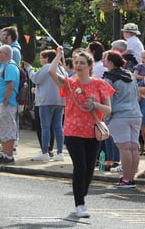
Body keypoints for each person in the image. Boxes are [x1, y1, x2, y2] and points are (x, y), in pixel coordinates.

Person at [48, 46, 113, 218]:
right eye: (76, 62)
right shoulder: (69, 83)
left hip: (93, 131)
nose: (78, 65)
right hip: (72, 131)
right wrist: (59, 54)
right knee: (80, 167)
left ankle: (81, 195)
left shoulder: (100, 84)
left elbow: (108, 109)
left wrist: (96, 105)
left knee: (89, 169)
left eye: (82, 63)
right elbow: (51, 71)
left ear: (90, 66)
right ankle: (80, 204)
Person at [102, 51, 142, 187]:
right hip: (135, 114)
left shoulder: (109, 78)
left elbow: (109, 102)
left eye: (105, 59)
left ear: (111, 62)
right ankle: (130, 179)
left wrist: (105, 120)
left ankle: (125, 179)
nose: (103, 62)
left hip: (119, 116)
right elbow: (136, 93)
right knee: (133, 147)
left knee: (124, 148)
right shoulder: (130, 74)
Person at [26, 50, 65, 162]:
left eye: (42, 57)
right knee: (58, 127)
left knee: (45, 126)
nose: (40, 59)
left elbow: (35, 79)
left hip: (46, 101)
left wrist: (30, 69)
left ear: (48, 58)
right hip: (60, 101)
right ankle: (60, 152)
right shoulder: (61, 68)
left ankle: (45, 152)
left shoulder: (47, 67)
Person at [0, 45, 19, 164]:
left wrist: (5, 100)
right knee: (2, 128)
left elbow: (10, 85)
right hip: (1, 103)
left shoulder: (10, 66)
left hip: (6, 104)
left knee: (7, 128)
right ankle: (5, 154)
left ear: (6, 54)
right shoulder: (5, 66)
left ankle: (8, 156)